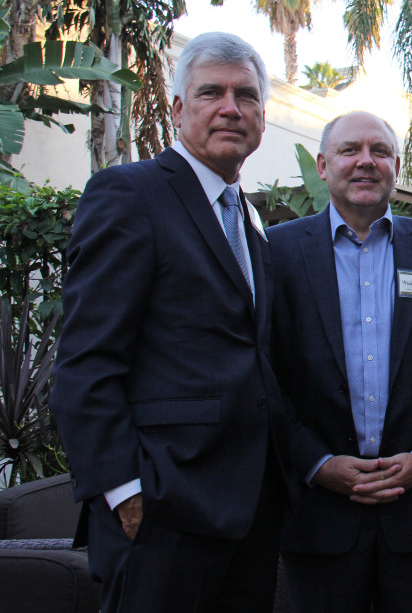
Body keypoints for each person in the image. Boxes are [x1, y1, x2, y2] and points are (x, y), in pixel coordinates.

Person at [51, 32, 289, 612]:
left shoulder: (250, 221)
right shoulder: (129, 195)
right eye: (212, 93)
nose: (231, 108)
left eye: (247, 96)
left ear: (262, 116)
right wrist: (126, 496)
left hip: (247, 516)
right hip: (163, 514)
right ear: (179, 109)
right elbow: (86, 363)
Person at [269, 111, 412, 612]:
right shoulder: (274, 253)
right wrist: (316, 464)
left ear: (397, 165)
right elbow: (266, 377)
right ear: (322, 165)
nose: (366, 162)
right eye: (350, 151)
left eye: (379, 152)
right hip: (316, 517)